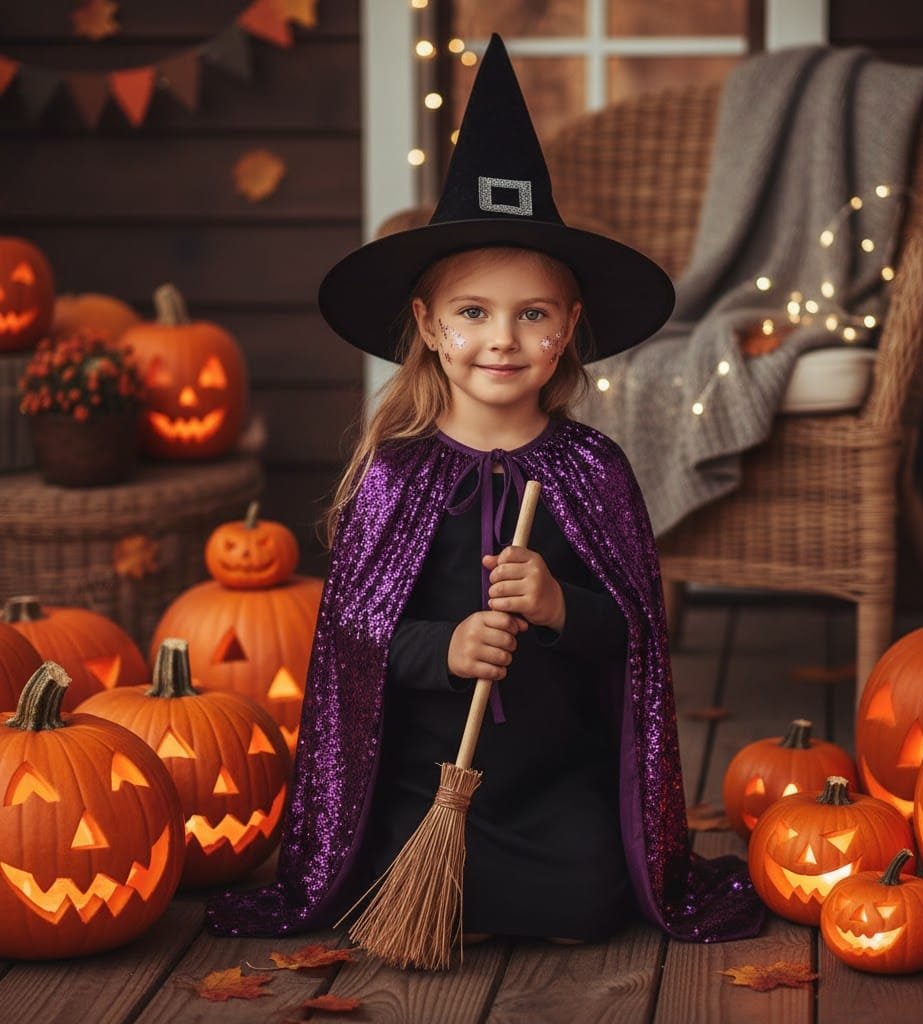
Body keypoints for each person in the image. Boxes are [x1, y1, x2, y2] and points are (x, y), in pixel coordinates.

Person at [207, 33, 764, 946]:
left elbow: (632, 637)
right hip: (420, 787)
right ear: (428, 326)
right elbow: (354, 640)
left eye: (531, 314)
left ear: (569, 329)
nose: (501, 339)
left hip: (551, 792)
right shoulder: (396, 472)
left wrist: (557, 608)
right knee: (376, 887)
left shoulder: (591, 470)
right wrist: (447, 648)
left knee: (584, 893)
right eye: (473, 312)